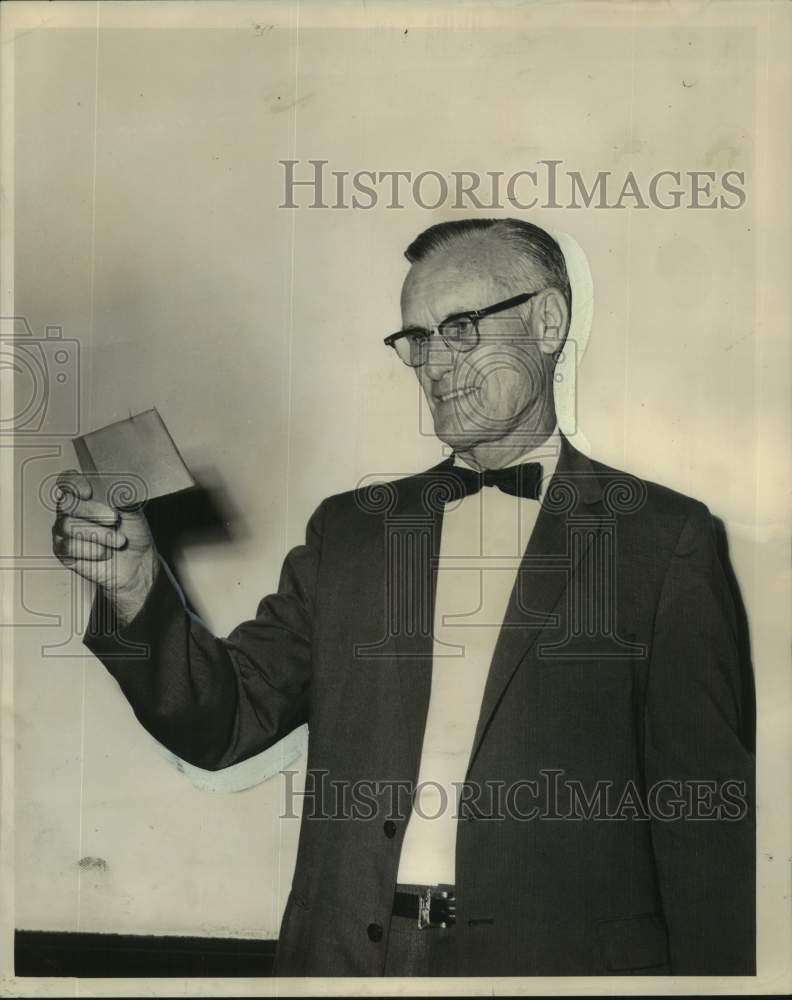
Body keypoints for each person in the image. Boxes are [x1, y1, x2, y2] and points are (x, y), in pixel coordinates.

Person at [52, 218, 755, 977]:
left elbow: (707, 830)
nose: (433, 363)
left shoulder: (666, 539)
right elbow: (221, 721)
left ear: (548, 322)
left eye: (459, 328)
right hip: (349, 964)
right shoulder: (351, 533)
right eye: (416, 339)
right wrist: (134, 588)